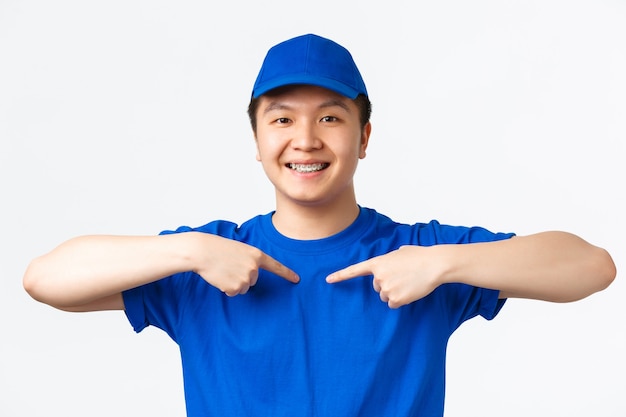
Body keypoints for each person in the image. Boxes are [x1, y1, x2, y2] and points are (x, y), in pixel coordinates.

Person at [23, 33, 616, 416]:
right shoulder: (207, 262)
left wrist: (446, 263)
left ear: (363, 138)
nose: (305, 140)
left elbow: (591, 267)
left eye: (330, 117)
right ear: (256, 141)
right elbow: (46, 280)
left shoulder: (418, 255)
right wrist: (187, 251)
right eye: (281, 119)